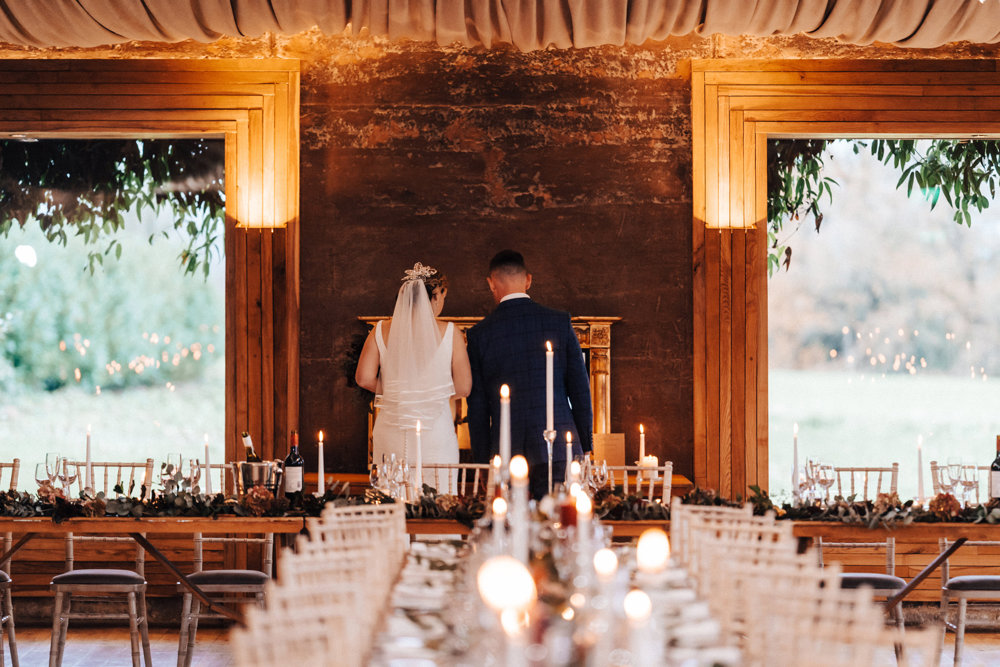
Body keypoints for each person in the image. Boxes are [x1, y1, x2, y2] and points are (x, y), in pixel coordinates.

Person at [466, 250, 593, 499]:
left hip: (506, 450)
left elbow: (477, 407)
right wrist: (586, 447)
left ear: (491, 283)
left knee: (511, 520)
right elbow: (580, 389)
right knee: (559, 518)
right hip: (560, 447)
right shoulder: (559, 322)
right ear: (528, 280)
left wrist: (482, 463)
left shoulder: (480, 334)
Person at [355, 263, 472, 475]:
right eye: (443, 296)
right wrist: (430, 395)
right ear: (435, 296)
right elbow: (464, 387)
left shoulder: (380, 330)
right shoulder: (450, 332)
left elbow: (363, 378)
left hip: (390, 431)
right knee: (438, 493)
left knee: (391, 493)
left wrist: (397, 392)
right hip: (435, 433)